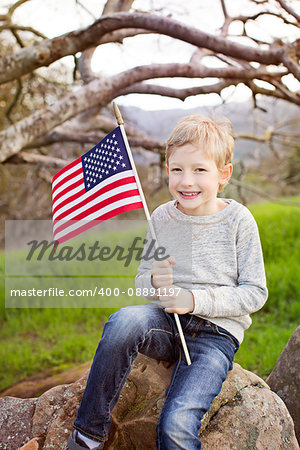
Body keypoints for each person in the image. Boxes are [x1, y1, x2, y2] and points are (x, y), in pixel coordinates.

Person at [66, 115, 268, 449]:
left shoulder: (238, 220)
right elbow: (143, 282)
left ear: (224, 174)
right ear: (167, 169)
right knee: (122, 322)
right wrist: (156, 283)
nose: (186, 181)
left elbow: (255, 292)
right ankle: (88, 434)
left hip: (215, 336)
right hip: (165, 322)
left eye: (199, 170)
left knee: (175, 426)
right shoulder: (162, 216)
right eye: (177, 170)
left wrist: (193, 301)